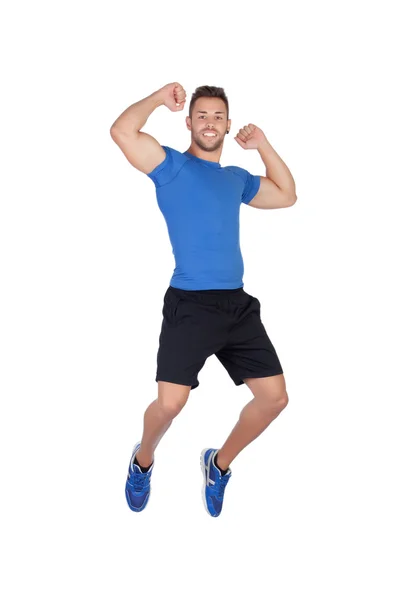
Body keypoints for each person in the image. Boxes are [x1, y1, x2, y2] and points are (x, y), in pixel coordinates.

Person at [110, 83, 297, 517]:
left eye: (218, 116)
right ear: (189, 122)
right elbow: (122, 131)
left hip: (236, 306)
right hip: (190, 305)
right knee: (171, 404)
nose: (210, 122)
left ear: (228, 126)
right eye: (202, 115)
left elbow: (287, 195)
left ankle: (219, 464)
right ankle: (142, 461)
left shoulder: (235, 179)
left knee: (275, 399)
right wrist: (158, 97)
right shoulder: (170, 166)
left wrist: (263, 144)